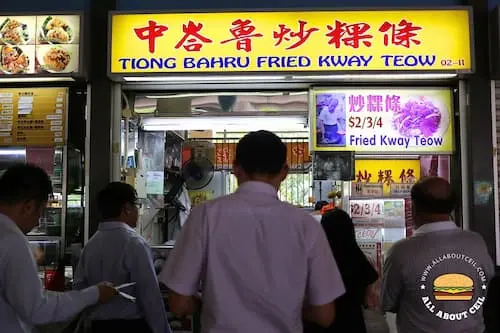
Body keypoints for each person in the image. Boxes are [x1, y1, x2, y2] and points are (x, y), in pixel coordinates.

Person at [159, 130, 345, 333]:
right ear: (284, 172)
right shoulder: (306, 226)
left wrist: (212, 305)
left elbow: (178, 303)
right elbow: (325, 315)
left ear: (236, 168)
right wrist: (286, 307)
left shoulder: (205, 216)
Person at [0, 164, 117, 333]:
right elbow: (37, 309)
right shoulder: (12, 240)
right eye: (41, 212)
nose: (38, 221)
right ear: (28, 206)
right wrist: (94, 294)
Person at [381, 177, 494, 333]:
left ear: (413, 208)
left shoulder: (401, 251)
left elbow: (387, 303)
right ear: (453, 207)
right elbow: (485, 288)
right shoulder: (476, 242)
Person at [73, 182, 171, 333]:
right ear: (127, 208)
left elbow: (79, 288)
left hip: (96, 326)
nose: (138, 211)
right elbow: (150, 296)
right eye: (137, 205)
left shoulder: (91, 245)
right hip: (130, 326)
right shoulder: (134, 243)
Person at [304, 209, 379, 333]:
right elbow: (370, 302)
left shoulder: (317, 262)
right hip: (353, 324)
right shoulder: (361, 260)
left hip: (321, 326)